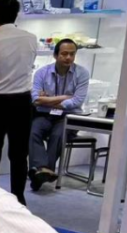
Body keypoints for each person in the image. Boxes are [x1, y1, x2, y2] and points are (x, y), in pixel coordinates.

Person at [0, 0, 40, 204]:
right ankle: (19, 197)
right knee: (19, 154)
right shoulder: (31, 38)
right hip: (21, 102)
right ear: (16, 15)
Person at [30, 39, 89, 191]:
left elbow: (77, 101)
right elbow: (35, 99)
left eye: (72, 54)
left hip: (68, 116)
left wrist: (47, 100)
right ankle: (44, 170)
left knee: (58, 135)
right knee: (33, 131)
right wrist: (64, 97)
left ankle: (39, 171)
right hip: (44, 114)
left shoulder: (82, 73)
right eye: (64, 54)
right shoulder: (41, 73)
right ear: (55, 55)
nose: (68, 57)